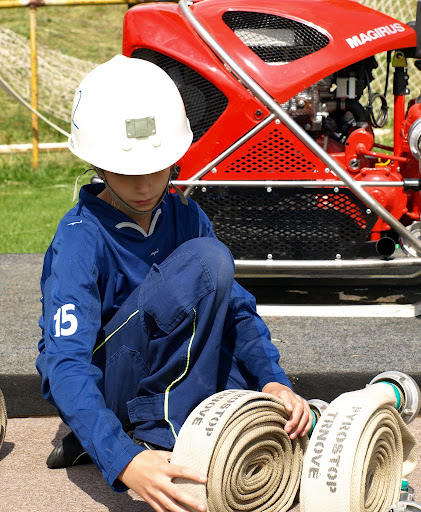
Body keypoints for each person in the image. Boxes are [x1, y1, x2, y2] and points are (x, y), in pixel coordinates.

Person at [36, 55, 312, 512]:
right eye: (128, 170)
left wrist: (272, 382)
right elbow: (65, 364)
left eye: (158, 165)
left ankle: (135, 427)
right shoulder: (79, 238)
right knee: (208, 261)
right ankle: (152, 435)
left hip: (169, 366)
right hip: (113, 381)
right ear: (97, 163)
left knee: (275, 413)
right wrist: (124, 461)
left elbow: (236, 310)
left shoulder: (185, 214)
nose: (146, 184)